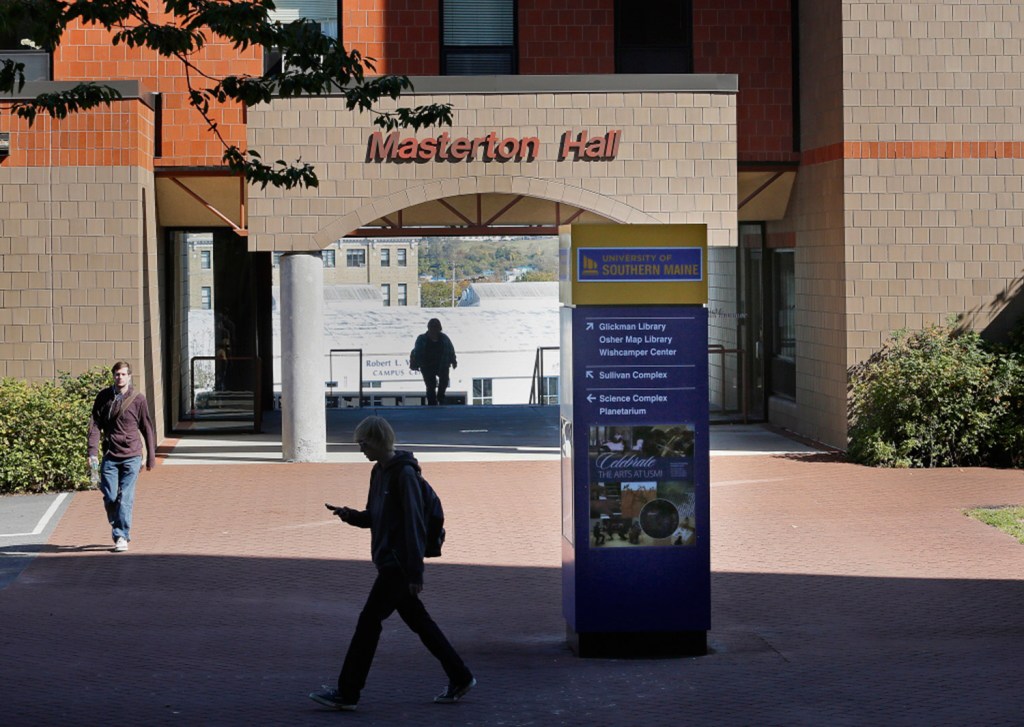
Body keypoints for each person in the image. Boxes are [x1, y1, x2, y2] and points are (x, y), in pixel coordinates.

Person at [310, 416, 475, 711]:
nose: (360, 449)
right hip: (390, 561)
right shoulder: (379, 472)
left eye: (363, 443)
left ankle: (348, 692)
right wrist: (349, 515)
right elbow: (375, 516)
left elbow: (414, 526)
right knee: (420, 623)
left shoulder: (405, 475)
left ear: (377, 440)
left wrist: (415, 572)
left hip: (398, 565)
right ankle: (460, 676)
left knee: (369, 621)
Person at [86, 361, 156, 552]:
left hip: (132, 455)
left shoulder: (138, 399)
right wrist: (92, 452)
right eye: (117, 374)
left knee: (125, 497)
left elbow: (147, 427)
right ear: (113, 376)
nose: (120, 377)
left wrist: (151, 457)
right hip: (110, 454)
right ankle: (118, 522)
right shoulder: (104, 397)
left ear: (129, 376)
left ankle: (121, 536)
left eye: (123, 374)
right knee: (110, 496)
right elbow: (95, 425)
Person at [410, 318, 457, 405]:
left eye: (436, 327)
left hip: (442, 364)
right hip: (427, 365)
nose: (434, 329)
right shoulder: (422, 339)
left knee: (444, 381)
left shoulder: (444, 338)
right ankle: (432, 402)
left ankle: (441, 397)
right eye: (432, 327)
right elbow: (416, 352)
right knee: (430, 385)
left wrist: (453, 360)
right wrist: (416, 363)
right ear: (428, 328)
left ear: (439, 328)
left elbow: (451, 350)